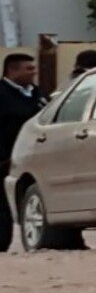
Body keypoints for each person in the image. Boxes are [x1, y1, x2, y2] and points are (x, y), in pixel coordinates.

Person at [0, 53, 48, 252]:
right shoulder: (2, 93)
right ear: (12, 71)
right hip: (5, 158)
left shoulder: (38, 94)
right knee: (1, 203)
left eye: (33, 68)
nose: (33, 72)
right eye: (28, 69)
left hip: (34, 155)